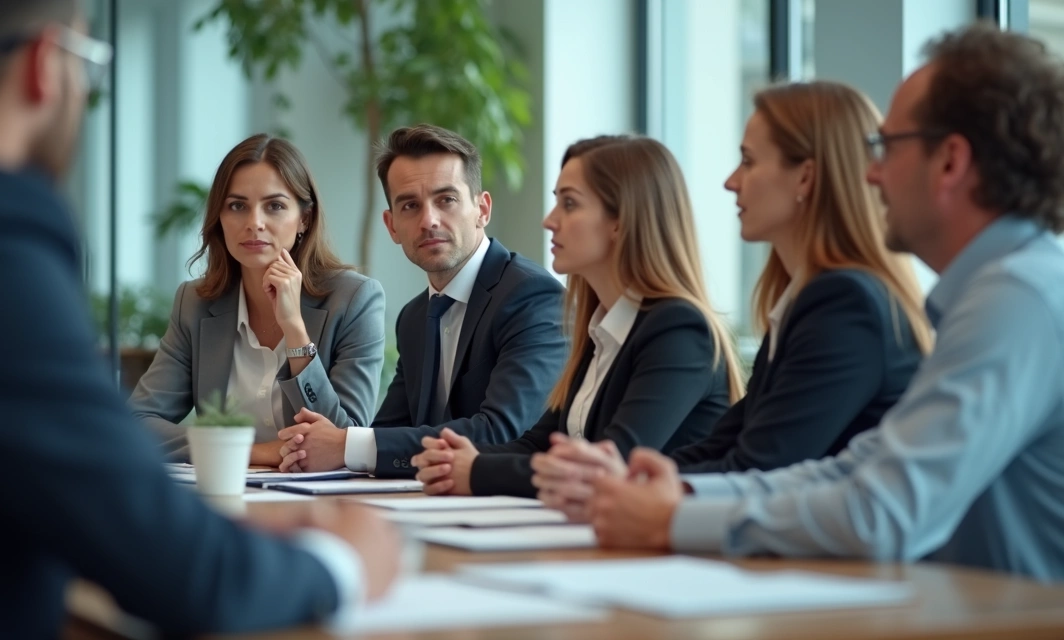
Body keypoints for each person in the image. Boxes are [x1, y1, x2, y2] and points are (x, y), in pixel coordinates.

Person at [0, 1, 400, 637]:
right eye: (87, 61)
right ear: (45, 63)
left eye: (275, 206)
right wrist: (339, 563)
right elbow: (175, 564)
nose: (254, 223)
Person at [584, 23, 1064, 583]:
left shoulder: (1017, 299)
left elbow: (882, 513)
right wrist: (680, 497)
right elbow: (856, 471)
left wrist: (676, 519)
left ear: (951, 162)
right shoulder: (999, 292)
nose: (871, 173)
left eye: (888, 147)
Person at [532, 82, 932, 518]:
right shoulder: (811, 302)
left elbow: (760, 465)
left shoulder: (842, 305)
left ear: (805, 177)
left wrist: (625, 484)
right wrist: (626, 481)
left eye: (748, 161)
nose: (730, 181)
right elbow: (725, 444)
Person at [410, 135, 741, 499]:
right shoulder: (601, 332)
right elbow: (539, 444)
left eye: (569, 203)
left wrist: (476, 471)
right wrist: (453, 460)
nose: (549, 220)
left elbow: (607, 466)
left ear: (621, 220)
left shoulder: (679, 330)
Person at [274, 124, 567, 477]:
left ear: (482, 209)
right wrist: (321, 445)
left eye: (446, 199)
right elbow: (390, 432)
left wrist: (345, 446)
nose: (429, 220)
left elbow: (501, 432)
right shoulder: (415, 317)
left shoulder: (532, 297)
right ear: (392, 226)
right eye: (410, 205)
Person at [128, 134, 385, 466]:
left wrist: (295, 331)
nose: (254, 224)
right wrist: (249, 452)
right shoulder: (194, 303)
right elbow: (136, 423)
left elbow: (344, 438)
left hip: (318, 495)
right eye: (237, 206)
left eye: (274, 206)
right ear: (219, 218)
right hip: (225, 490)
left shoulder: (354, 300)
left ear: (304, 218)